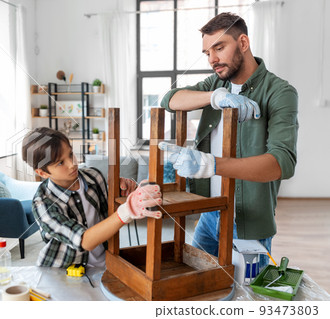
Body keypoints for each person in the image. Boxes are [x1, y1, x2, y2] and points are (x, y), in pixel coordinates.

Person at [158, 12, 298, 269]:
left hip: (248, 223)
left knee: (246, 296)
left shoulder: (280, 92)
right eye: (207, 52)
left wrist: (212, 165)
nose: (212, 59)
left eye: (219, 48)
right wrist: (214, 97)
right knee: (197, 281)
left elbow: (282, 163)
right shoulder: (217, 82)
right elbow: (170, 99)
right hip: (211, 216)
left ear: (243, 43)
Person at [21, 127, 162, 268]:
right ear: (42, 172)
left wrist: (125, 192)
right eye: (60, 163)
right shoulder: (43, 204)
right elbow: (84, 241)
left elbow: (110, 214)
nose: (72, 164)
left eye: (70, 154)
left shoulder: (94, 176)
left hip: (105, 262)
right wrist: (126, 210)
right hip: (62, 272)